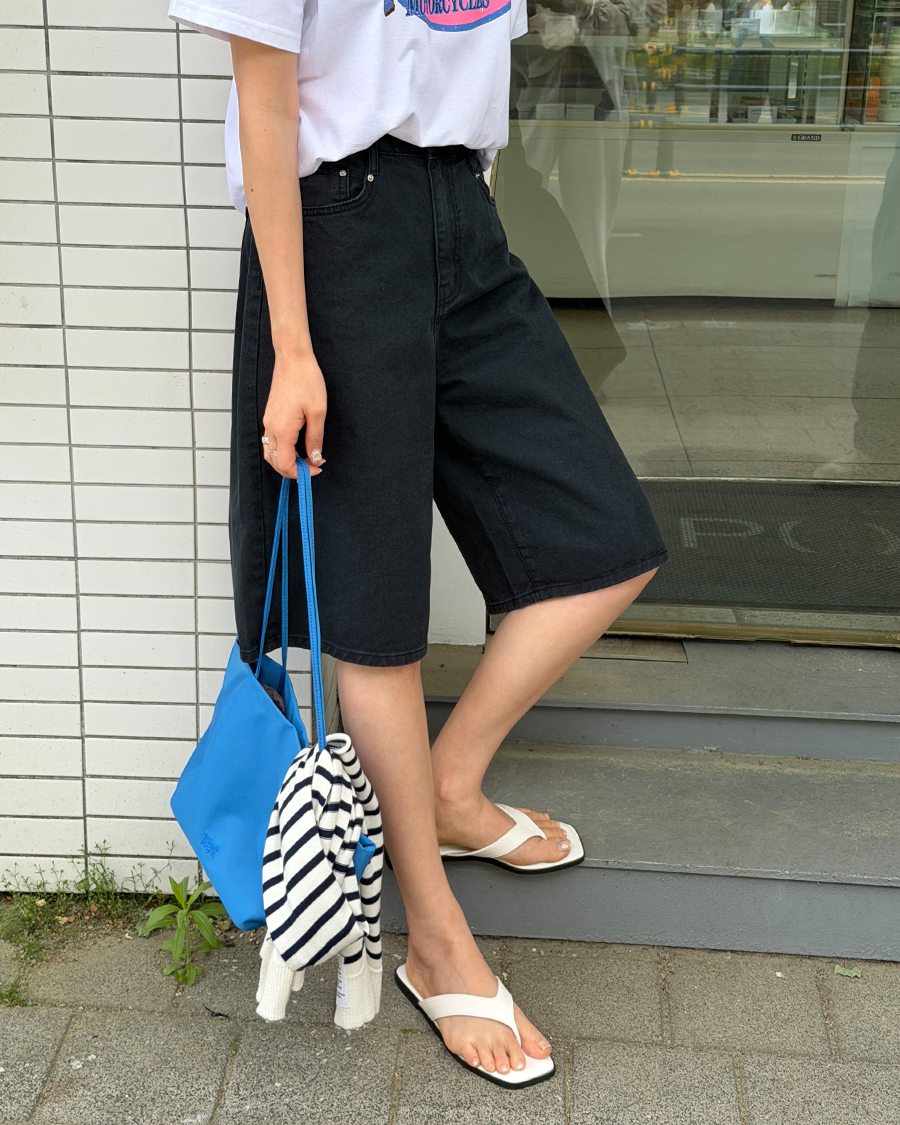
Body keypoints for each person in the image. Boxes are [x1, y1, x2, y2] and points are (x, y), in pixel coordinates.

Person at [169, 0, 667, 1088]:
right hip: (339, 226)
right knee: (376, 612)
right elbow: (264, 96)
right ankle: (434, 937)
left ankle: (448, 787)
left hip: (465, 210)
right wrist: (293, 349)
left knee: (605, 539)